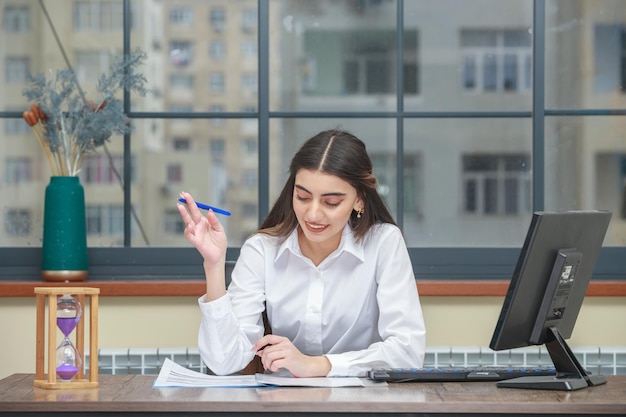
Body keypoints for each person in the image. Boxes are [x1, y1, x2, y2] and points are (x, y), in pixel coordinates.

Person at [177, 129, 426, 378]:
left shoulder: (383, 243)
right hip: (281, 404)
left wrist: (317, 365)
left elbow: (408, 352)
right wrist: (214, 265)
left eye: (331, 202)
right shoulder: (262, 250)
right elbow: (224, 362)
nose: (313, 214)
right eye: (303, 197)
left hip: (360, 404)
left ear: (359, 200)